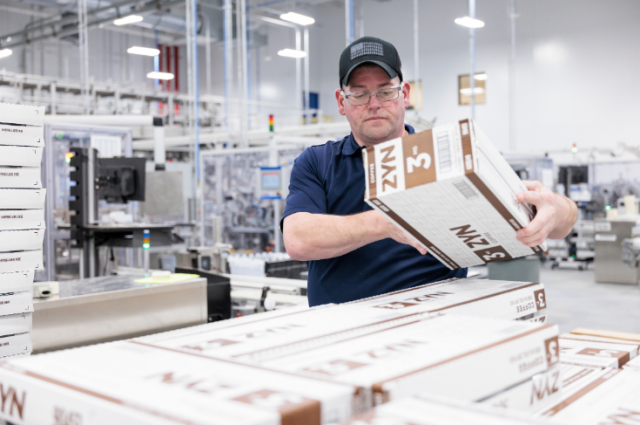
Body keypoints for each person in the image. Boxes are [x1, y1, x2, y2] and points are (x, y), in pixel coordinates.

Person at [281, 36, 577, 307]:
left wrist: (556, 210)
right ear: (341, 102)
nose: (373, 104)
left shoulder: (444, 157)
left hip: (433, 329)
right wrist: (385, 220)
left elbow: (559, 219)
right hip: (341, 334)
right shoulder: (317, 162)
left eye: (385, 91)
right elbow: (297, 240)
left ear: (405, 94)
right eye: (359, 94)